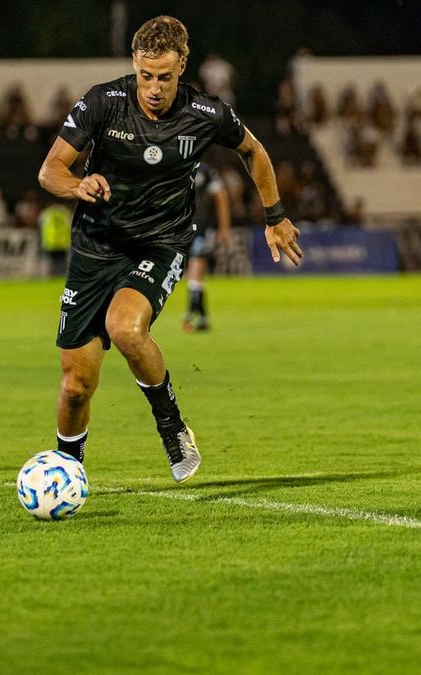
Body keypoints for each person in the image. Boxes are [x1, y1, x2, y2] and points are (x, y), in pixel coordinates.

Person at [37, 15, 302, 483]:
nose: (154, 87)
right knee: (76, 385)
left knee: (125, 329)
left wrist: (275, 215)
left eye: (164, 76)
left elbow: (254, 150)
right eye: (145, 75)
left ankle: (171, 425)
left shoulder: (206, 114)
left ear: (183, 65)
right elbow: (50, 170)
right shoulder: (103, 103)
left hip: (160, 243)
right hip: (96, 246)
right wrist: (78, 184)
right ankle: (67, 473)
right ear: (134, 66)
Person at [183, 161, 231, 332]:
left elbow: (221, 195)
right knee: (194, 275)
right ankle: (202, 318)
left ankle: (189, 315)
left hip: (200, 229)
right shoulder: (175, 164)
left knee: (196, 270)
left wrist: (224, 227)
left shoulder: (205, 170)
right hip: (179, 229)